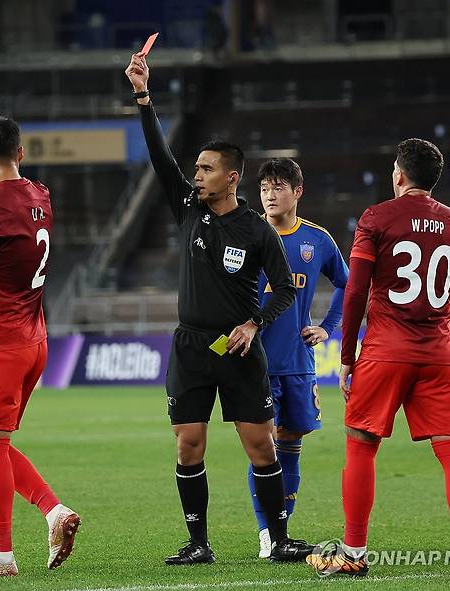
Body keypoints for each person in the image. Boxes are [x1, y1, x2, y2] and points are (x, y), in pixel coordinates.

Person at [125, 52, 311, 564]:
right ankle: (198, 544)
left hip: (237, 347)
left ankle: (278, 540)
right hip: (191, 346)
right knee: (188, 445)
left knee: (261, 447)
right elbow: (161, 157)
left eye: (207, 169)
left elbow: (285, 289)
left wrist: (255, 323)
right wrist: (144, 95)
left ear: (232, 177)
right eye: (197, 168)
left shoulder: (256, 230)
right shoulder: (188, 208)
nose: (197, 175)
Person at [306, 138, 450, 580]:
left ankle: (353, 552)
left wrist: (346, 354)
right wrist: (445, 337)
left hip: (385, 351)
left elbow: (354, 292)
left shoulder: (377, 218)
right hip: (439, 354)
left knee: (361, 447)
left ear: (399, 175)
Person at [0, 115, 80, 578]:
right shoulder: (42, 195)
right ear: (20, 154)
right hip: (36, 340)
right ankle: (53, 511)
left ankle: (0, 555)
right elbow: (17, 208)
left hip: (0, 343)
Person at [248, 158, 348, 558]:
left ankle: (282, 532)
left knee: (291, 444)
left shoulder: (317, 240)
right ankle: (266, 534)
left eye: (278, 187)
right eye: (264, 189)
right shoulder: (247, 233)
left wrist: (329, 327)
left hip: (299, 361)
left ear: (297, 192)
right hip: (256, 362)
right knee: (263, 448)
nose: (270, 196)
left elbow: (347, 282)